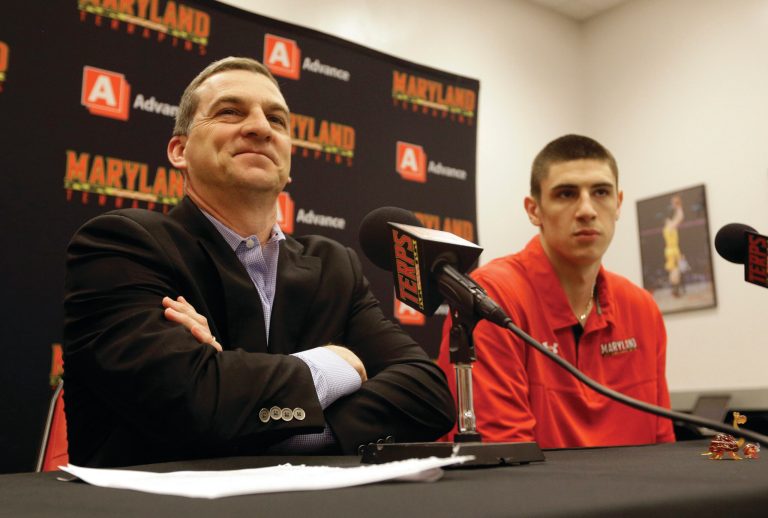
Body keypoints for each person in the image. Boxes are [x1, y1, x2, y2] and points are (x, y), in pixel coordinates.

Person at [63, 57, 455, 468]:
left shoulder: (334, 266)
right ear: (180, 150)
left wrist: (284, 433)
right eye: (230, 112)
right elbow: (188, 401)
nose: (260, 128)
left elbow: (426, 392)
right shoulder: (122, 244)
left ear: (288, 164)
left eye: (277, 120)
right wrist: (330, 367)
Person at [437, 134, 675, 448]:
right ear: (534, 210)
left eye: (601, 192)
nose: (587, 210)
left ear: (617, 204)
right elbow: (503, 456)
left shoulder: (642, 307)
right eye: (566, 194)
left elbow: (662, 443)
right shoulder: (492, 298)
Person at [663, 194, 685, 297]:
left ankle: (675, 290)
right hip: (673, 250)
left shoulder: (667, 228)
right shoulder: (670, 227)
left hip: (670, 250)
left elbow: (677, 218)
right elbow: (680, 217)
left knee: (674, 271)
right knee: (675, 271)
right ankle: (675, 290)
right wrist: (678, 206)